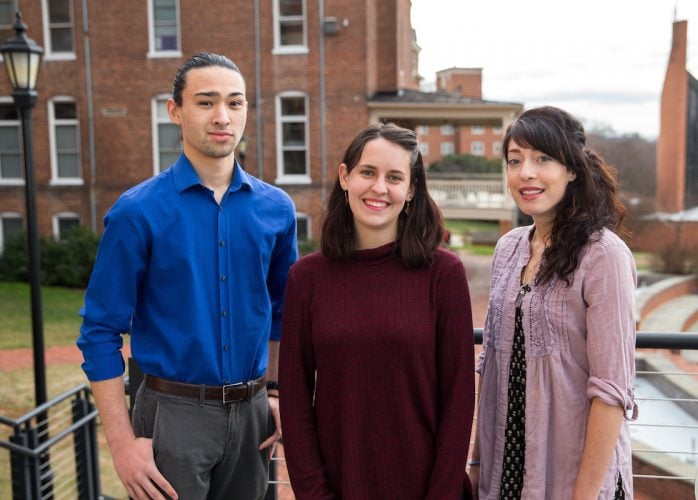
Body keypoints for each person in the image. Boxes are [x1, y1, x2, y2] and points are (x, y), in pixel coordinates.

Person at [77, 53, 297, 500]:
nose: (223, 116)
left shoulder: (277, 210)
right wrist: (121, 444)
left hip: (253, 414)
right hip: (172, 419)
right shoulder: (137, 212)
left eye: (235, 103)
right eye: (206, 102)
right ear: (174, 111)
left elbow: (281, 314)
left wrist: (273, 392)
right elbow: (99, 332)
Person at [279, 122, 475, 499]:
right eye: (368, 172)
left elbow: (459, 400)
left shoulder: (444, 275)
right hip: (338, 489)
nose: (379, 188)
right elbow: (296, 398)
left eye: (395, 177)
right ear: (345, 176)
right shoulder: (307, 279)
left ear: (412, 189)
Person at [469, 106, 638, 499]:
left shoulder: (603, 256)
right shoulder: (508, 248)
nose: (525, 173)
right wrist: (477, 466)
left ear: (573, 170)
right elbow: (492, 366)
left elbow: (612, 391)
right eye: (514, 160)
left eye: (543, 158)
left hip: (571, 479)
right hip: (505, 472)